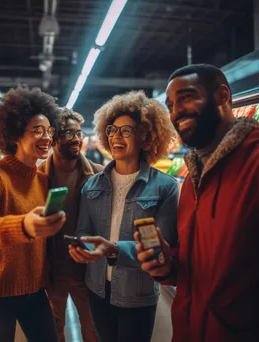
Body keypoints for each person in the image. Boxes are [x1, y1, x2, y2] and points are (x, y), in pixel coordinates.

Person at [136, 64, 259, 342]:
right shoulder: (193, 179)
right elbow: (202, 263)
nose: (176, 111)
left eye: (187, 97)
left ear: (223, 96)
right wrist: (169, 265)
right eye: (170, 105)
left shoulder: (253, 163)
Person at [69, 90, 179, 342]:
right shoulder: (92, 185)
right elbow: (83, 230)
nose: (117, 136)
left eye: (126, 130)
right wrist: (82, 246)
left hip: (137, 293)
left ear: (145, 136)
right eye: (112, 130)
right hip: (97, 289)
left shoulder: (164, 187)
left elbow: (163, 248)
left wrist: (113, 249)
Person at [0, 87, 66, 342]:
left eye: (49, 131)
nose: (46, 137)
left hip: (33, 292)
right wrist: (24, 225)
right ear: (16, 133)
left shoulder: (43, 181)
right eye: (37, 130)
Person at [38, 108, 102, 342]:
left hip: (87, 270)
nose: (76, 139)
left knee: (93, 329)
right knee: (53, 331)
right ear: (53, 136)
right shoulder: (37, 178)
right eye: (68, 133)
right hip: (51, 270)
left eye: (79, 133)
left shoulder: (98, 175)